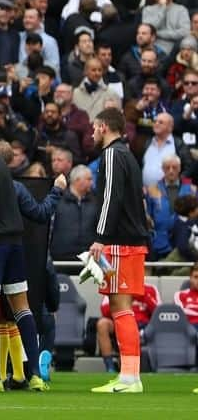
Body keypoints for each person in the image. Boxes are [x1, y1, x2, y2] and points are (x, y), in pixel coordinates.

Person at [0, 140, 65, 392]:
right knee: (22, 309)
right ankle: (34, 375)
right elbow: (40, 213)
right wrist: (57, 189)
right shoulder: (16, 188)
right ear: (11, 162)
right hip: (16, 246)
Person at [87, 106, 150, 394]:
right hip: (132, 241)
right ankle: (130, 375)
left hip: (120, 243)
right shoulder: (129, 155)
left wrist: (100, 236)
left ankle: (129, 377)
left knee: (120, 307)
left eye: (94, 127)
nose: (91, 133)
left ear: (103, 127)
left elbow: (110, 198)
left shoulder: (112, 154)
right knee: (120, 308)